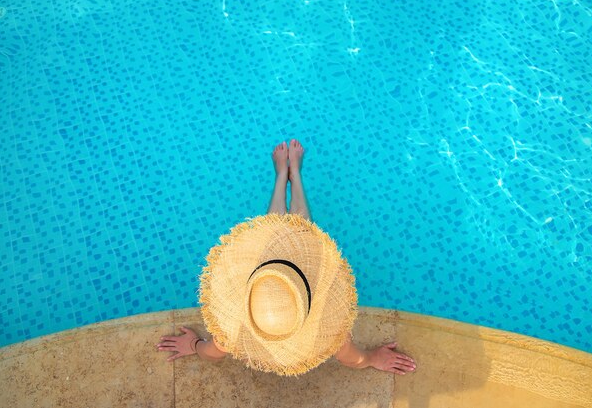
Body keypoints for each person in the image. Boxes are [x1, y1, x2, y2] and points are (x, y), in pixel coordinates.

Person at [156, 140, 417, 376]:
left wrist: (192, 344)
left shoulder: (233, 333)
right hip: (277, 271)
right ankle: (293, 175)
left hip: (268, 273)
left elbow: (209, 353)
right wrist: (373, 359)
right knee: (295, 233)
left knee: (277, 233)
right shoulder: (326, 336)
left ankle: (283, 175)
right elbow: (354, 359)